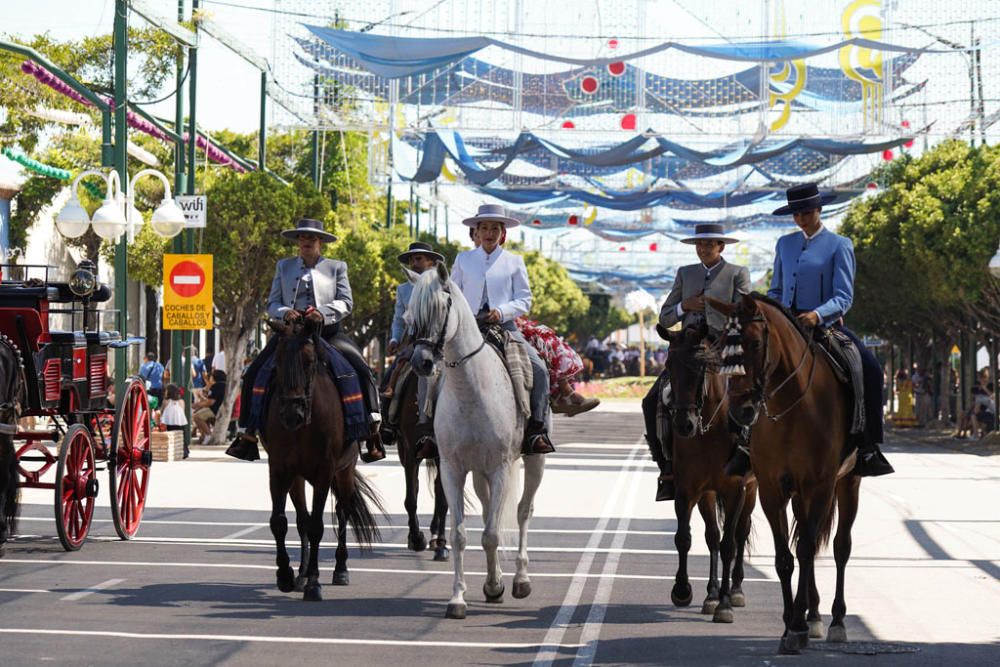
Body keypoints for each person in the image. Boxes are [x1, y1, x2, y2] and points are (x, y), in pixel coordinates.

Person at [226, 218, 385, 463]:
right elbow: (272, 303)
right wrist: (283, 313)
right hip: (291, 333)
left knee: (359, 368)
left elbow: (346, 302)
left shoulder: (336, 267)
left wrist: (323, 312)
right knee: (254, 372)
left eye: (311, 238)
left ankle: (371, 429)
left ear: (320, 241)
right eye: (302, 238)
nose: (306, 242)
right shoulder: (284, 267)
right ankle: (247, 433)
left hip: (327, 331)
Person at [767, 183, 894, 476]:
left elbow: (844, 296)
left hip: (823, 326)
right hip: (786, 326)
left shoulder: (840, 244)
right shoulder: (784, 244)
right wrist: (771, 315)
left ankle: (868, 445)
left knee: (870, 369)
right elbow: (775, 289)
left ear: (819, 210)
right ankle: (747, 444)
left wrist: (817, 314)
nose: (801, 219)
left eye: (807, 212)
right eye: (797, 214)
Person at [642, 222, 751, 502]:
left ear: (721, 247)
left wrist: (718, 310)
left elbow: (746, 314)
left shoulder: (737, 273)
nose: (703, 249)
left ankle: (748, 455)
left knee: (751, 398)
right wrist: (684, 306)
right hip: (687, 350)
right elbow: (666, 317)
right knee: (652, 399)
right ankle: (666, 465)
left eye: (709, 245)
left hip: (724, 349)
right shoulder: (685, 273)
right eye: (699, 245)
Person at [449, 203, 555, 455]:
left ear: (502, 233)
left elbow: (524, 299)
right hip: (468, 327)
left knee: (539, 369)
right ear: (476, 231)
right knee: (433, 367)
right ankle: (428, 428)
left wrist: (503, 311)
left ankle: (536, 430)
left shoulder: (514, 261)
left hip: (504, 328)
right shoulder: (463, 259)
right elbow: (452, 293)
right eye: (484, 227)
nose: (488, 232)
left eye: (494, 228)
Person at [380, 241, 447, 460]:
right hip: (415, 340)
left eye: (419, 258)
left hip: (440, 340)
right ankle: (389, 422)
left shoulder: (443, 284)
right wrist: (395, 338)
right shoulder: (403, 289)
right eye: (412, 259)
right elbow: (399, 319)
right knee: (392, 375)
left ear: (431, 261)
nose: (415, 262)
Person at [193, 369, 226, 443]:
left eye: (211, 376)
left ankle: (208, 435)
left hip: (215, 410)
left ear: (214, 377)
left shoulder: (216, 386)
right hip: (222, 409)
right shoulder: (225, 385)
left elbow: (211, 402)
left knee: (196, 416)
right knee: (201, 413)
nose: (209, 378)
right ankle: (203, 436)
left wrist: (197, 405)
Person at [160, 383, 189, 458]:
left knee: (171, 438)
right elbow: (182, 411)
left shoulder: (165, 401)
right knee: (181, 437)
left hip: (169, 423)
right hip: (180, 423)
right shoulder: (181, 402)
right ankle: (184, 451)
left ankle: (172, 452)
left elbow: (162, 411)